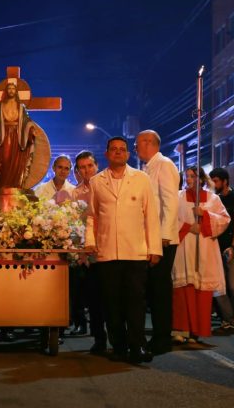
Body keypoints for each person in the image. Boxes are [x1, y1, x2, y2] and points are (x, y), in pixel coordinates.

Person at [85, 136, 162, 364]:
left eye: (122, 149)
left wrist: (154, 248)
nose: (118, 152)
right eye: (114, 149)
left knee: (136, 302)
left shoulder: (141, 179)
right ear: (107, 154)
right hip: (107, 251)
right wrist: (90, 242)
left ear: (128, 154)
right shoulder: (97, 182)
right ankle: (118, 346)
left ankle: (137, 346)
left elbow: (151, 216)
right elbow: (92, 216)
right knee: (112, 303)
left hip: (136, 251)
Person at [172, 166, 229, 343]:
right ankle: (181, 329)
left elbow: (224, 219)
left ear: (202, 179)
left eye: (192, 176)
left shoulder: (213, 199)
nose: (188, 179)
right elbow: (169, 218)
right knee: (183, 289)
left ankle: (196, 330)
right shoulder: (178, 197)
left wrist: (204, 215)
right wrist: (189, 227)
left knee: (200, 290)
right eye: (186, 176)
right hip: (184, 246)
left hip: (205, 247)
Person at [135, 130, 180, 355]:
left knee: (161, 290)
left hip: (164, 239)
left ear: (149, 142)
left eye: (137, 143)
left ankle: (163, 338)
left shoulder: (165, 165)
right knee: (153, 290)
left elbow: (170, 202)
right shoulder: (148, 167)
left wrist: (163, 235)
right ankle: (157, 335)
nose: (135, 147)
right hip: (151, 238)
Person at [71, 150, 107, 353]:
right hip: (90, 251)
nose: (86, 171)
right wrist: (82, 253)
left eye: (90, 166)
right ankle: (99, 340)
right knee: (94, 300)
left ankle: (121, 338)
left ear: (96, 166)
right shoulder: (76, 193)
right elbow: (77, 225)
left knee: (112, 298)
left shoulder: (107, 184)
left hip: (110, 248)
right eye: (82, 167)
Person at [0, 80, 38, 188]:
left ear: (16, 91)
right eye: (9, 89)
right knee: (4, 159)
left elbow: (26, 121)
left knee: (17, 163)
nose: (11, 90)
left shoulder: (21, 107)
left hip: (18, 136)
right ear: (6, 91)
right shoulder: (2, 106)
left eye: (13, 89)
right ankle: (4, 185)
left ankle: (16, 185)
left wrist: (31, 129)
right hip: (4, 136)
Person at [208, 167, 234, 336]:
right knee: (220, 286)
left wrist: (233, 245)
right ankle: (227, 319)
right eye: (212, 181)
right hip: (217, 247)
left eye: (216, 181)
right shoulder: (213, 198)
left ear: (225, 181)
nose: (213, 184)